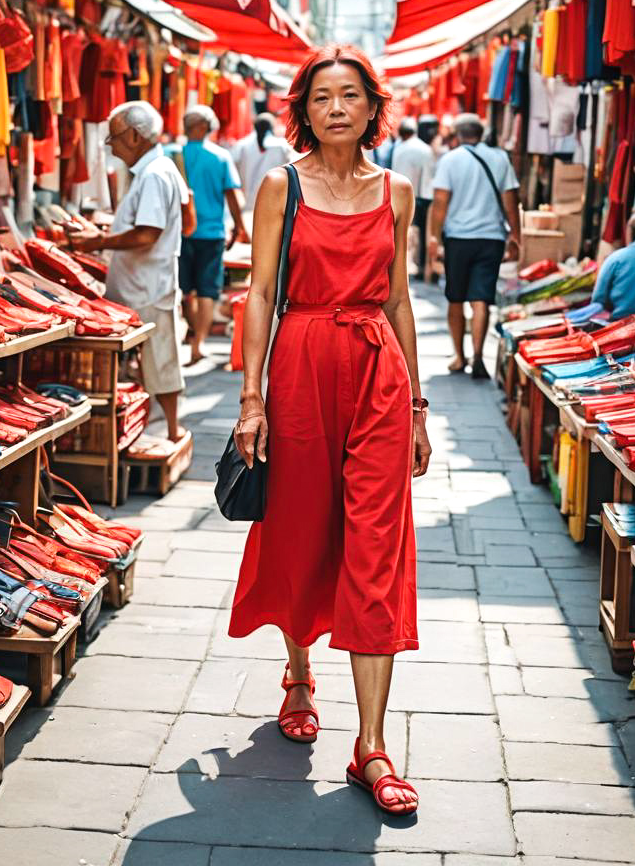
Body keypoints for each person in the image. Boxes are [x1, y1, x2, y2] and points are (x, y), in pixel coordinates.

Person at [231, 43, 430, 816]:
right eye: (322, 97)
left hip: (379, 369)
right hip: (302, 362)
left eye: (350, 95)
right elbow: (259, 294)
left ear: (373, 108)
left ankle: (371, 745)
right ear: (304, 111)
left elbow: (402, 297)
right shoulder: (282, 186)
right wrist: (252, 397)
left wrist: (416, 406)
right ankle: (300, 673)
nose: (337, 107)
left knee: (377, 542)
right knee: (302, 525)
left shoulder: (400, 191)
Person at [70, 101, 188, 443]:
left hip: (148, 286)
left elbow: (147, 233)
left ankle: (172, 429)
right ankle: (163, 426)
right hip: (142, 284)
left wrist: (97, 242)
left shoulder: (154, 173)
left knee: (160, 359)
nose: (112, 145)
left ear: (134, 137)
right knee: (155, 358)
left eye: (115, 138)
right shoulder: (156, 170)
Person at [428, 112, 521, 380]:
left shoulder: (450, 160)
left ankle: (460, 356)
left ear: (457, 135)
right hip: (491, 238)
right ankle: (479, 355)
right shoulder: (500, 158)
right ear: (481, 134)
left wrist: (434, 237)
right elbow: (510, 202)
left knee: (455, 297)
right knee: (481, 299)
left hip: (458, 238)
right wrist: (515, 237)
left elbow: (440, 202)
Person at [179, 105, 249, 365]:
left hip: (182, 232)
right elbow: (232, 196)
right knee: (208, 290)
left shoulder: (173, 154)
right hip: (211, 233)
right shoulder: (220, 157)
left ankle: (194, 336)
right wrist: (240, 227)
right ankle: (199, 342)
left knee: (186, 289)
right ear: (206, 128)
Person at [390, 117, 435, 280]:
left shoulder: (398, 148)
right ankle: (422, 266)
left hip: (398, 195)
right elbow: (429, 176)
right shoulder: (425, 149)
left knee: (398, 232)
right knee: (422, 233)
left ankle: (398, 267)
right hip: (423, 196)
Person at [232, 112, 294, 206]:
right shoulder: (282, 146)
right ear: (272, 127)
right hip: (276, 201)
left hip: (249, 201)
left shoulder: (241, 145)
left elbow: (234, 170)